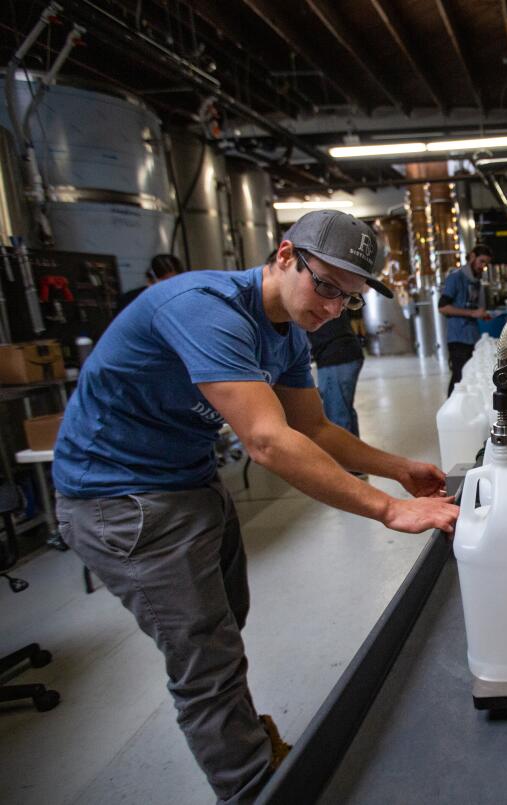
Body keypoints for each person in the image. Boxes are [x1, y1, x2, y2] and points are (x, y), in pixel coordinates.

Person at [52, 210, 458, 803]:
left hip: (187, 483)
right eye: (325, 286)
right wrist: (388, 510)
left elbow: (313, 428)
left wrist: (397, 468)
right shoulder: (204, 307)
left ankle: (249, 747)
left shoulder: (288, 333)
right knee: (204, 662)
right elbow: (267, 441)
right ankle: (253, 789)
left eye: (346, 299)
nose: (329, 308)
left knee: (223, 626)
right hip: (121, 497)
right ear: (286, 255)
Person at [438, 244, 492, 396]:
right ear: (472, 257)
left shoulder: (476, 282)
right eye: (481, 261)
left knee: (468, 377)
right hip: (458, 337)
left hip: (472, 337)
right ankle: (451, 410)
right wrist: (472, 313)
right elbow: (442, 307)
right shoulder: (456, 278)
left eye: (486, 263)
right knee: (458, 379)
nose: (483, 266)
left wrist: (481, 314)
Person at [308, 308, 365, 438]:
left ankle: (344, 457)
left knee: (337, 417)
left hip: (336, 357)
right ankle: (353, 455)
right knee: (345, 411)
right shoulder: (326, 297)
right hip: (347, 354)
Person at [116, 253, 184, 312]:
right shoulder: (130, 301)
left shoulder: (183, 298)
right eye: (167, 281)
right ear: (150, 281)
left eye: (177, 281)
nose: (172, 287)